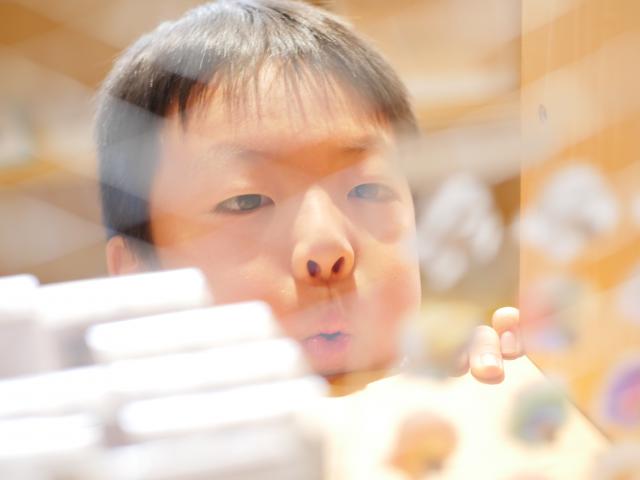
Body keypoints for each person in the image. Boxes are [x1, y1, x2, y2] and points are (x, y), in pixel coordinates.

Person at [95, 0, 522, 384]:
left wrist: (478, 383)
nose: (326, 248)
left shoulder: (437, 391)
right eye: (246, 202)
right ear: (139, 281)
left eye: (369, 190)